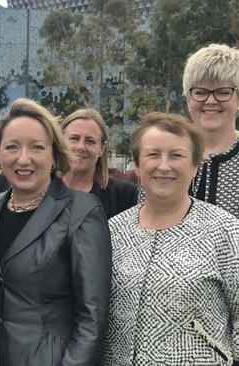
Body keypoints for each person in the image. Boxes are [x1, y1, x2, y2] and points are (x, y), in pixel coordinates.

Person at [0, 98, 111, 365]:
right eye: (12, 147)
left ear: (54, 155)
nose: (24, 159)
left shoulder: (81, 211)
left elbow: (92, 318)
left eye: (36, 147)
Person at [100, 112, 239, 364]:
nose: (164, 166)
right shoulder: (112, 232)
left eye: (176, 155)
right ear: (138, 165)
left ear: (196, 165)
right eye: (153, 154)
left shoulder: (225, 231)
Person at [183, 43, 239, 218]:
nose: (211, 101)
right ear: (188, 99)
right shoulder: (166, 156)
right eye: (200, 92)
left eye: (223, 92)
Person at [60, 108, 137, 218]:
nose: (81, 147)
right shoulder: (41, 191)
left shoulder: (125, 196)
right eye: (74, 138)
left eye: (90, 141)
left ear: (102, 148)